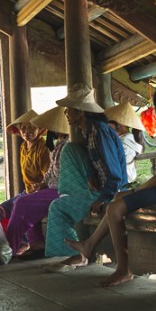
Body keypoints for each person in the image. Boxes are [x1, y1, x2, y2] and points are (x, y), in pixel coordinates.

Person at [66, 90, 156, 285]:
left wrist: (135, 191)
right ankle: (89, 245)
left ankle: (124, 268)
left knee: (114, 207)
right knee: (117, 200)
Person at [48, 85, 126, 262]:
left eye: (69, 110)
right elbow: (94, 159)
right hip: (100, 188)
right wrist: (90, 175)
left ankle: (75, 255)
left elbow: (115, 174)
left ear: (80, 112)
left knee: (57, 207)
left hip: (112, 191)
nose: (66, 113)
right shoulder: (89, 130)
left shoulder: (100, 131)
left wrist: (103, 198)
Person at [0, 107, 70, 256]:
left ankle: (12, 247)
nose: (26, 132)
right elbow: (50, 173)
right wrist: (42, 184)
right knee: (5, 208)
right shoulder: (57, 145)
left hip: (61, 190)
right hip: (43, 187)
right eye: (23, 128)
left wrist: (41, 186)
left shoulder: (63, 146)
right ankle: (22, 243)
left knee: (22, 203)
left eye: (32, 128)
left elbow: (57, 175)